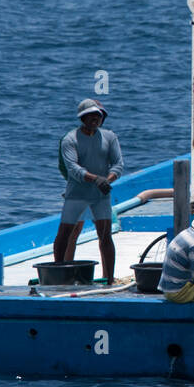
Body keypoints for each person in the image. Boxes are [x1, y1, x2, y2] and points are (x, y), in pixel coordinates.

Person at [55, 98, 123, 284]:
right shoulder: (70, 139)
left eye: (98, 116)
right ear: (82, 118)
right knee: (66, 233)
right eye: (90, 116)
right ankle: (59, 274)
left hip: (101, 195)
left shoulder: (110, 137)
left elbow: (118, 165)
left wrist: (107, 180)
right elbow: (72, 168)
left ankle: (109, 279)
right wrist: (95, 179)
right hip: (76, 194)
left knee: (105, 234)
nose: (95, 119)